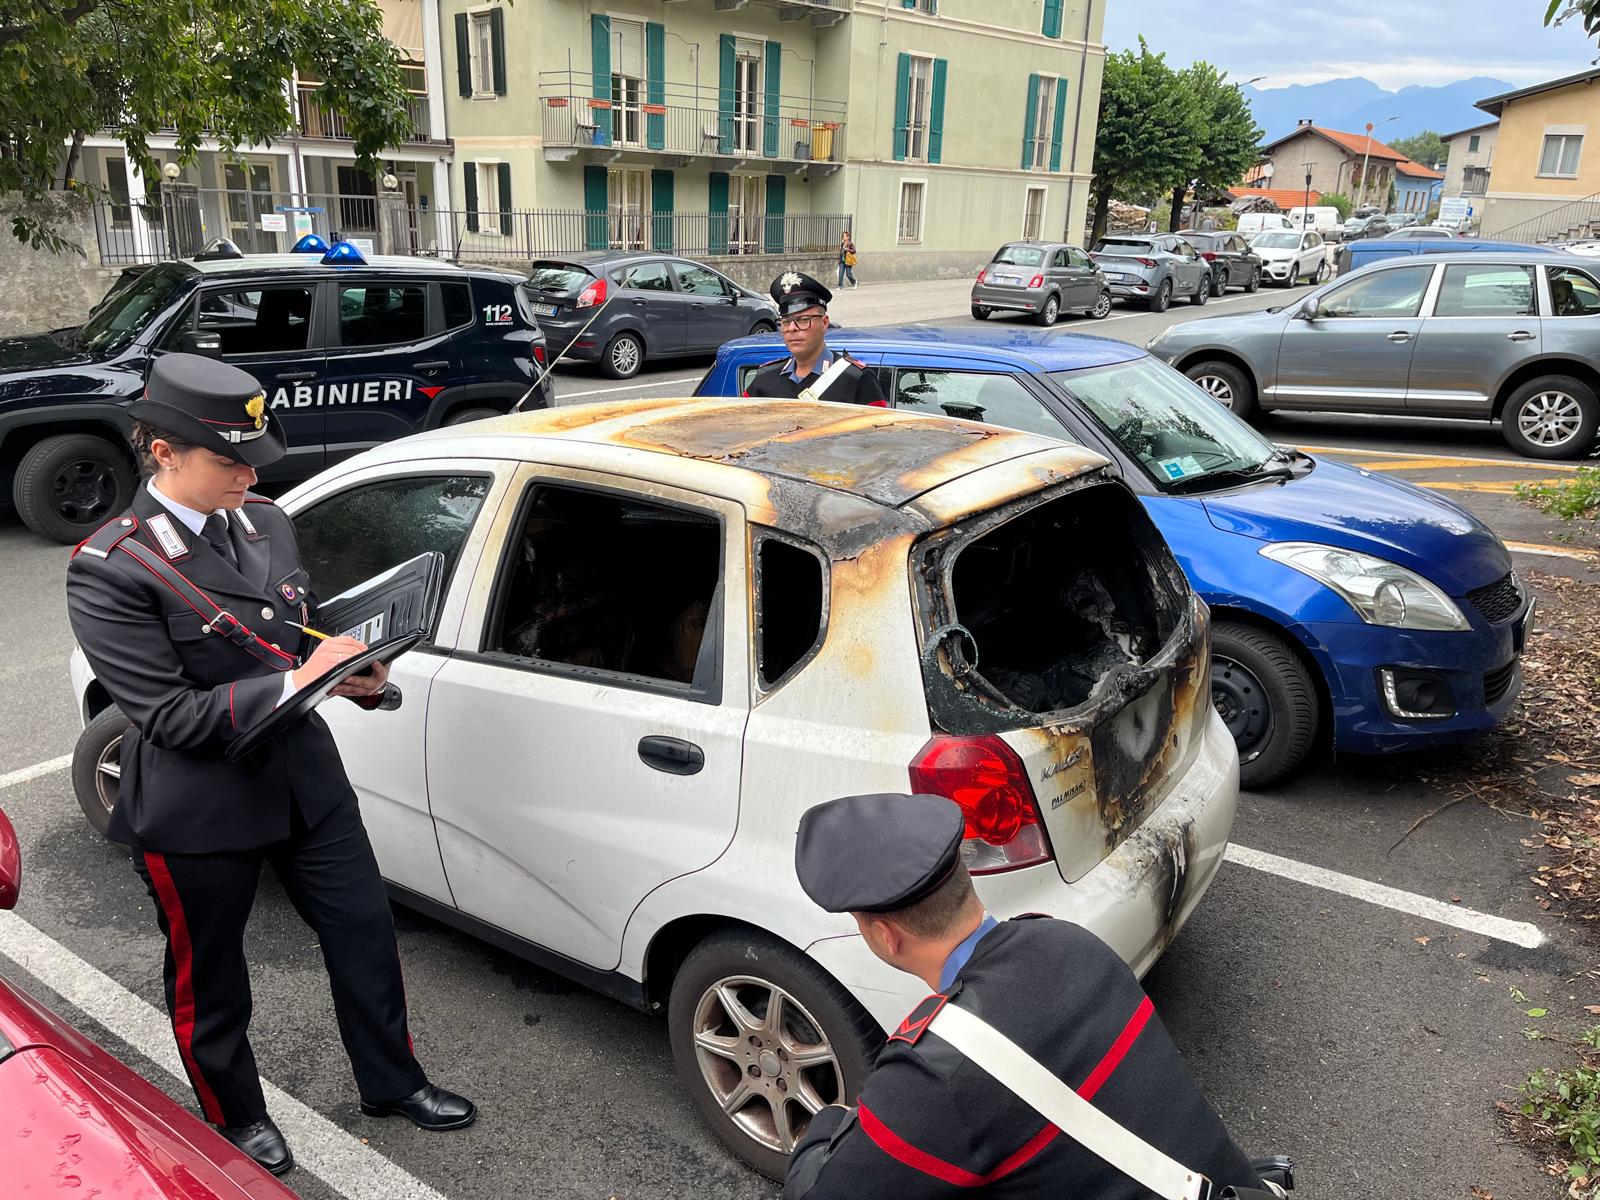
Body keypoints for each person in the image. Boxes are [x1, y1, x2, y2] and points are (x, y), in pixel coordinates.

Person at [65, 354, 475, 1178]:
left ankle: (392, 1081)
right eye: (230, 460)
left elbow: (295, 623)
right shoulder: (111, 568)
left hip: (302, 780)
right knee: (212, 975)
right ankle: (236, 1114)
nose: (250, 475)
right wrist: (299, 680)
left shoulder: (263, 520)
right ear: (163, 452)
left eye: (255, 459)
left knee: (364, 932)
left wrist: (351, 669)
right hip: (198, 804)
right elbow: (167, 716)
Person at [784, 792, 1273, 1199]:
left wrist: (828, 1122)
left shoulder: (935, 1073)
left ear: (885, 937)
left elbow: (822, 1191)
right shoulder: (1067, 942)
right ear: (963, 879)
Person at [743, 272, 887, 406]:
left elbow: (880, 425)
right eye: (786, 321)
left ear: (824, 323)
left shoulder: (856, 379)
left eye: (803, 320)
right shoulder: (766, 377)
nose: (792, 328)